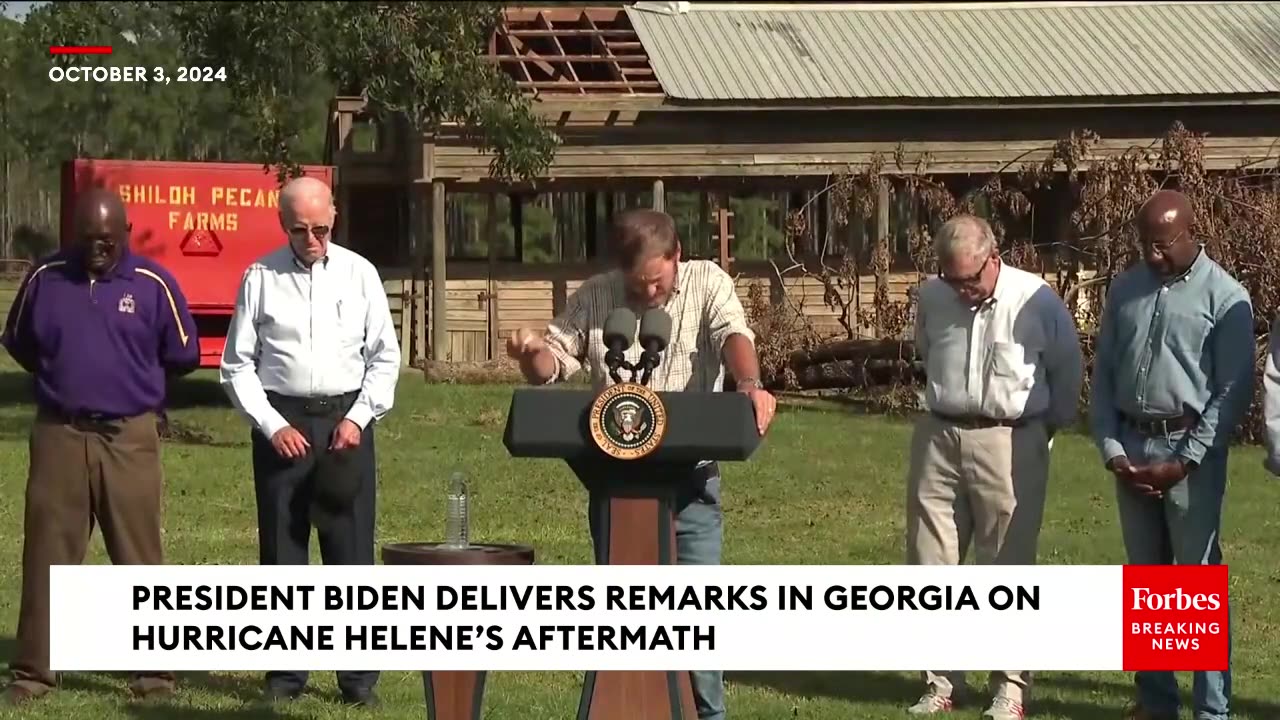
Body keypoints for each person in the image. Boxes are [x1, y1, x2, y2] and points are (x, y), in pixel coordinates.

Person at [505, 208, 776, 720]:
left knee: (695, 630)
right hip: (615, 486)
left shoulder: (706, 281)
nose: (648, 294)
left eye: (656, 282)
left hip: (690, 485)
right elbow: (552, 366)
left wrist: (748, 384)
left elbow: (733, 335)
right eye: (636, 286)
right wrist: (532, 352)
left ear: (677, 256)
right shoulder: (595, 295)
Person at [0, 188, 199, 705]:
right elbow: (20, 342)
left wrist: (133, 390)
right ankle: (33, 672)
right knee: (48, 552)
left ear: (126, 235)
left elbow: (183, 353)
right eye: (88, 240)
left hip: (127, 436)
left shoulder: (153, 284)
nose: (97, 250)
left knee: (138, 555)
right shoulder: (46, 278)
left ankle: (154, 674)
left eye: (108, 241)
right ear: (74, 236)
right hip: (59, 433)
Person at [219, 175, 401, 706]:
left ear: (334, 218)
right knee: (283, 552)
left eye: (320, 229)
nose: (312, 240)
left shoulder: (360, 274)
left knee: (350, 551)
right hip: (283, 423)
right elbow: (236, 367)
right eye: (300, 231)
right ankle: (285, 677)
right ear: (283, 225)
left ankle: (358, 680)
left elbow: (385, 358)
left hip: (346, 424)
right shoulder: (260, 277)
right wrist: (272, 425)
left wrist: (360, 417)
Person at [906, 214, 1083, 719]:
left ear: (994, 258)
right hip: (939, 432)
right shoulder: (932, 294)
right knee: (928, 563)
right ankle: (940, 680)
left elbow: (1067, 370)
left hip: (1010, 438)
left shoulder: (1036, 299)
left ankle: (1010, 687)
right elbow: (926, 350)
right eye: (951, 279)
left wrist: (1042, 433)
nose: (961, 290)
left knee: (1006, 566)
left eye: (970, 279)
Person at [1090, 189, 1253, 720]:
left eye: (1161, 246)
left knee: (1196, 583)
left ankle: (1212, 708)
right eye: (1144, 245)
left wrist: (1184, 460)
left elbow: (1232, 391)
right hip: (1133, 447)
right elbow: (1105, 373)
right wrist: (1114, 451)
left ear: (1188, 233)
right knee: (1150, 583)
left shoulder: (1225, 297)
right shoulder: (1126, 289)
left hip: (1190, 453)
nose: (1152, 255)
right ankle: (1156, 703)